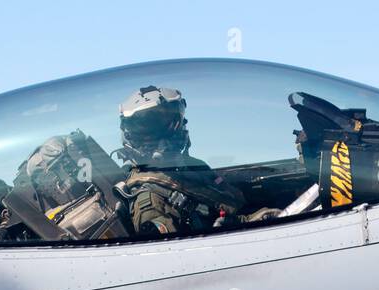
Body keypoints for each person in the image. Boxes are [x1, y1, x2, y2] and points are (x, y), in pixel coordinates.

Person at [115, 86, 277, 235]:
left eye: (174, 121)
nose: (174, 130)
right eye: (156, 125)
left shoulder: (192, 166)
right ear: (131, 135)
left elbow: (229, 202)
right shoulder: (151, 203)